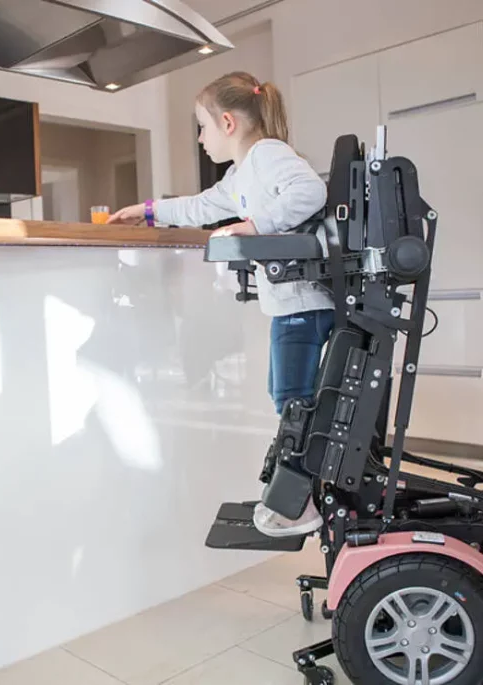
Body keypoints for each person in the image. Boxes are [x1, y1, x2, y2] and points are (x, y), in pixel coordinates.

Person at [107, 71, 334, 538]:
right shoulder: (242, 173)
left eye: (202, 126)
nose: (199, 137)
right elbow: (201, 207)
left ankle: (301, 505)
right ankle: (305, 495)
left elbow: (311, 192)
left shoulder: (268, 155)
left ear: (227, 123)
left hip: (304, 302)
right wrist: (147, 211)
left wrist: (253, 227)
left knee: (293, 401)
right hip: (290, 303)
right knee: (287, 397)